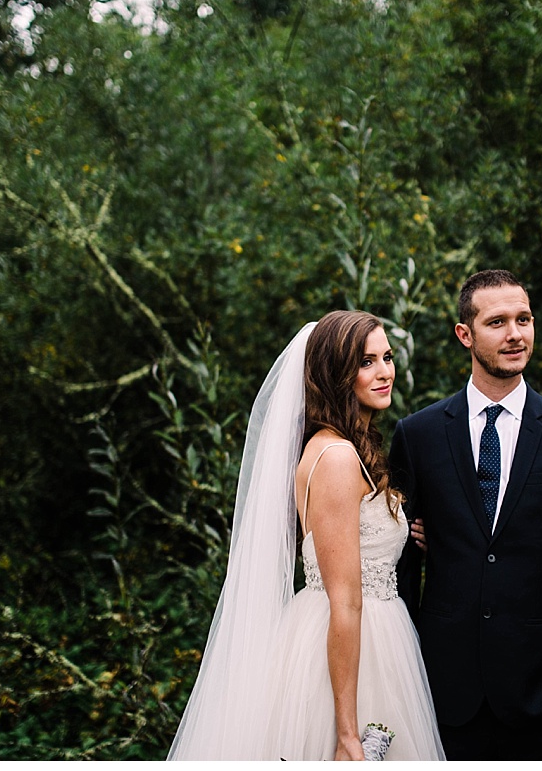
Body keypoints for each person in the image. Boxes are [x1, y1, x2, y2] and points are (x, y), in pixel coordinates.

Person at [168, 310, 444, 761]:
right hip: (348, 648)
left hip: (372, 638)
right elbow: (346, 599)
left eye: (387, 357)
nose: (384, 372)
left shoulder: (347, 447)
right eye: (366, 362)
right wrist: (348, 732)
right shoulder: (335, 457)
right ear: (336, 374)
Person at [390, 269, 542, 760]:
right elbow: (402, 573)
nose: (515, 334)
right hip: (442, 699)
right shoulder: (420, 435)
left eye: (524, 319)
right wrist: (401, 680)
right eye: (497, 322)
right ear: (465, 334)